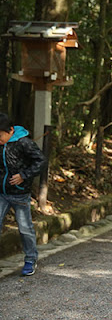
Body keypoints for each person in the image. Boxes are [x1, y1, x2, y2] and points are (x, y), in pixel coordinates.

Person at [0, 114, 46, 276]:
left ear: (10, 130)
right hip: (2, 193)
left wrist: (23, 175)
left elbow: (40, 161)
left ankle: (30, 259)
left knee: (25, 229)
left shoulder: (24, 143)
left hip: (20, 195)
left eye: (0, 135)